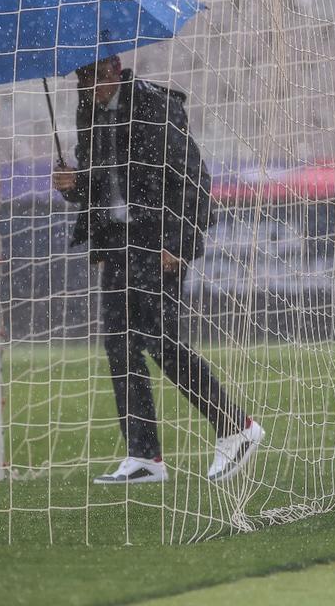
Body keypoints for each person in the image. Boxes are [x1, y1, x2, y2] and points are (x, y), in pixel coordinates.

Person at [53, 55, 263, 485]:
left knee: (160, 340)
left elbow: (193, 178)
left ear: (114, 67)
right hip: (116, 242)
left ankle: (236, 427)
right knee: (119, 345)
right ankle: (144, 456)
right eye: (81, 76)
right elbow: (103, 183)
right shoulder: (87, 110)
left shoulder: (155, 105)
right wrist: (74, 186)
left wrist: (181, 243)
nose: (88, 84)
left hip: (157, 240)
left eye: (93, 75)